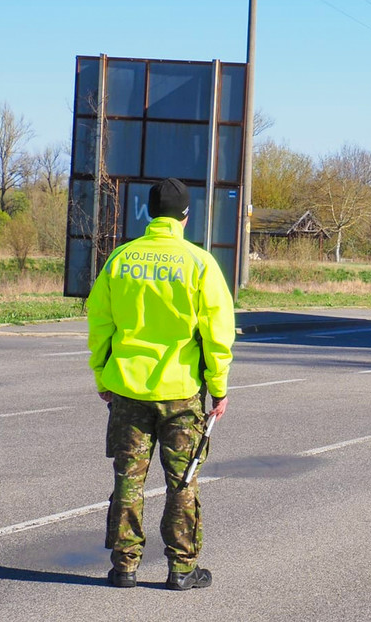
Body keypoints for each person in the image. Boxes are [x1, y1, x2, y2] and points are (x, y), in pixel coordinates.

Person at [87, 178, 235, 590]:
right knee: (182, 481)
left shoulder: (120, 259)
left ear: (149, 213)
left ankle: (125, 567)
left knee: (128, 479)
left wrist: (102, 375)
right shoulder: (200, 263)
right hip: (181, 393)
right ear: (186, 216)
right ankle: (182, 569)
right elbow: (218, 334)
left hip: (129, 391)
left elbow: (101, 323)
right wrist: (218, 387)